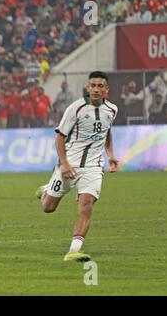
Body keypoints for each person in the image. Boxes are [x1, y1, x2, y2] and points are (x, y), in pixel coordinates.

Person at [36, 71, 119, 262]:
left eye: (100, 86)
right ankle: (46, 190)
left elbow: (106, 132)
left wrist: (111, 155)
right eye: (93, 85)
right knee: (48, 207)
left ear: (107, 89)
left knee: (86, 205)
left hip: (93, 167)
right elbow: (60, 137)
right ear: (87, 87)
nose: (96, 89)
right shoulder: (76, 108)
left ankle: (73, 250)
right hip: (70, 165)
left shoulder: (112, 110)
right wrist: (64, 164)